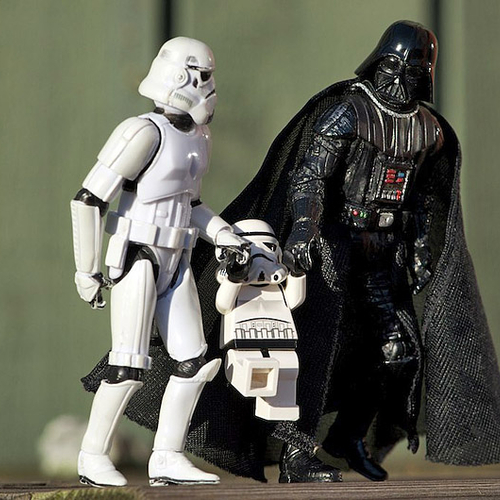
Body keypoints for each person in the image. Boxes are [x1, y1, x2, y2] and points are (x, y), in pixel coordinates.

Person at [70, 37, 248, 487]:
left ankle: (167, 456)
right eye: (203, 77)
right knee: (128, 365)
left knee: (193, 363)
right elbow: (89, 199)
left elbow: (192, 204)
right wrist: (86, 269)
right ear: (182, 76)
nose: (208, 88)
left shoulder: (199, 137)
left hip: (178, 256)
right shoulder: (143, 132)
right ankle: (92, 456)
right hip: (139, 254)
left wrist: (223, 234)